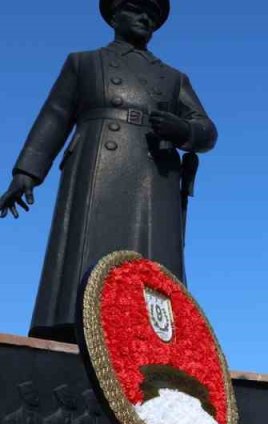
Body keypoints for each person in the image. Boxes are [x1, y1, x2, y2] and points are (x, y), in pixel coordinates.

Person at [0, 0, 218, 343]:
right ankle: (71, 326)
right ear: (114, 15)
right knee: (86, 262)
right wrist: (26, 172)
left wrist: (183, 130)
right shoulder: (83, 63)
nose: (146, 17)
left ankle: (154, 334)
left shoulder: (174, 79)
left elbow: (207, 130)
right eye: (137, 9)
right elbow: (55, 116)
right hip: (96, 168)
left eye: (153, 15)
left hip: (153, 176)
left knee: (150, 267)